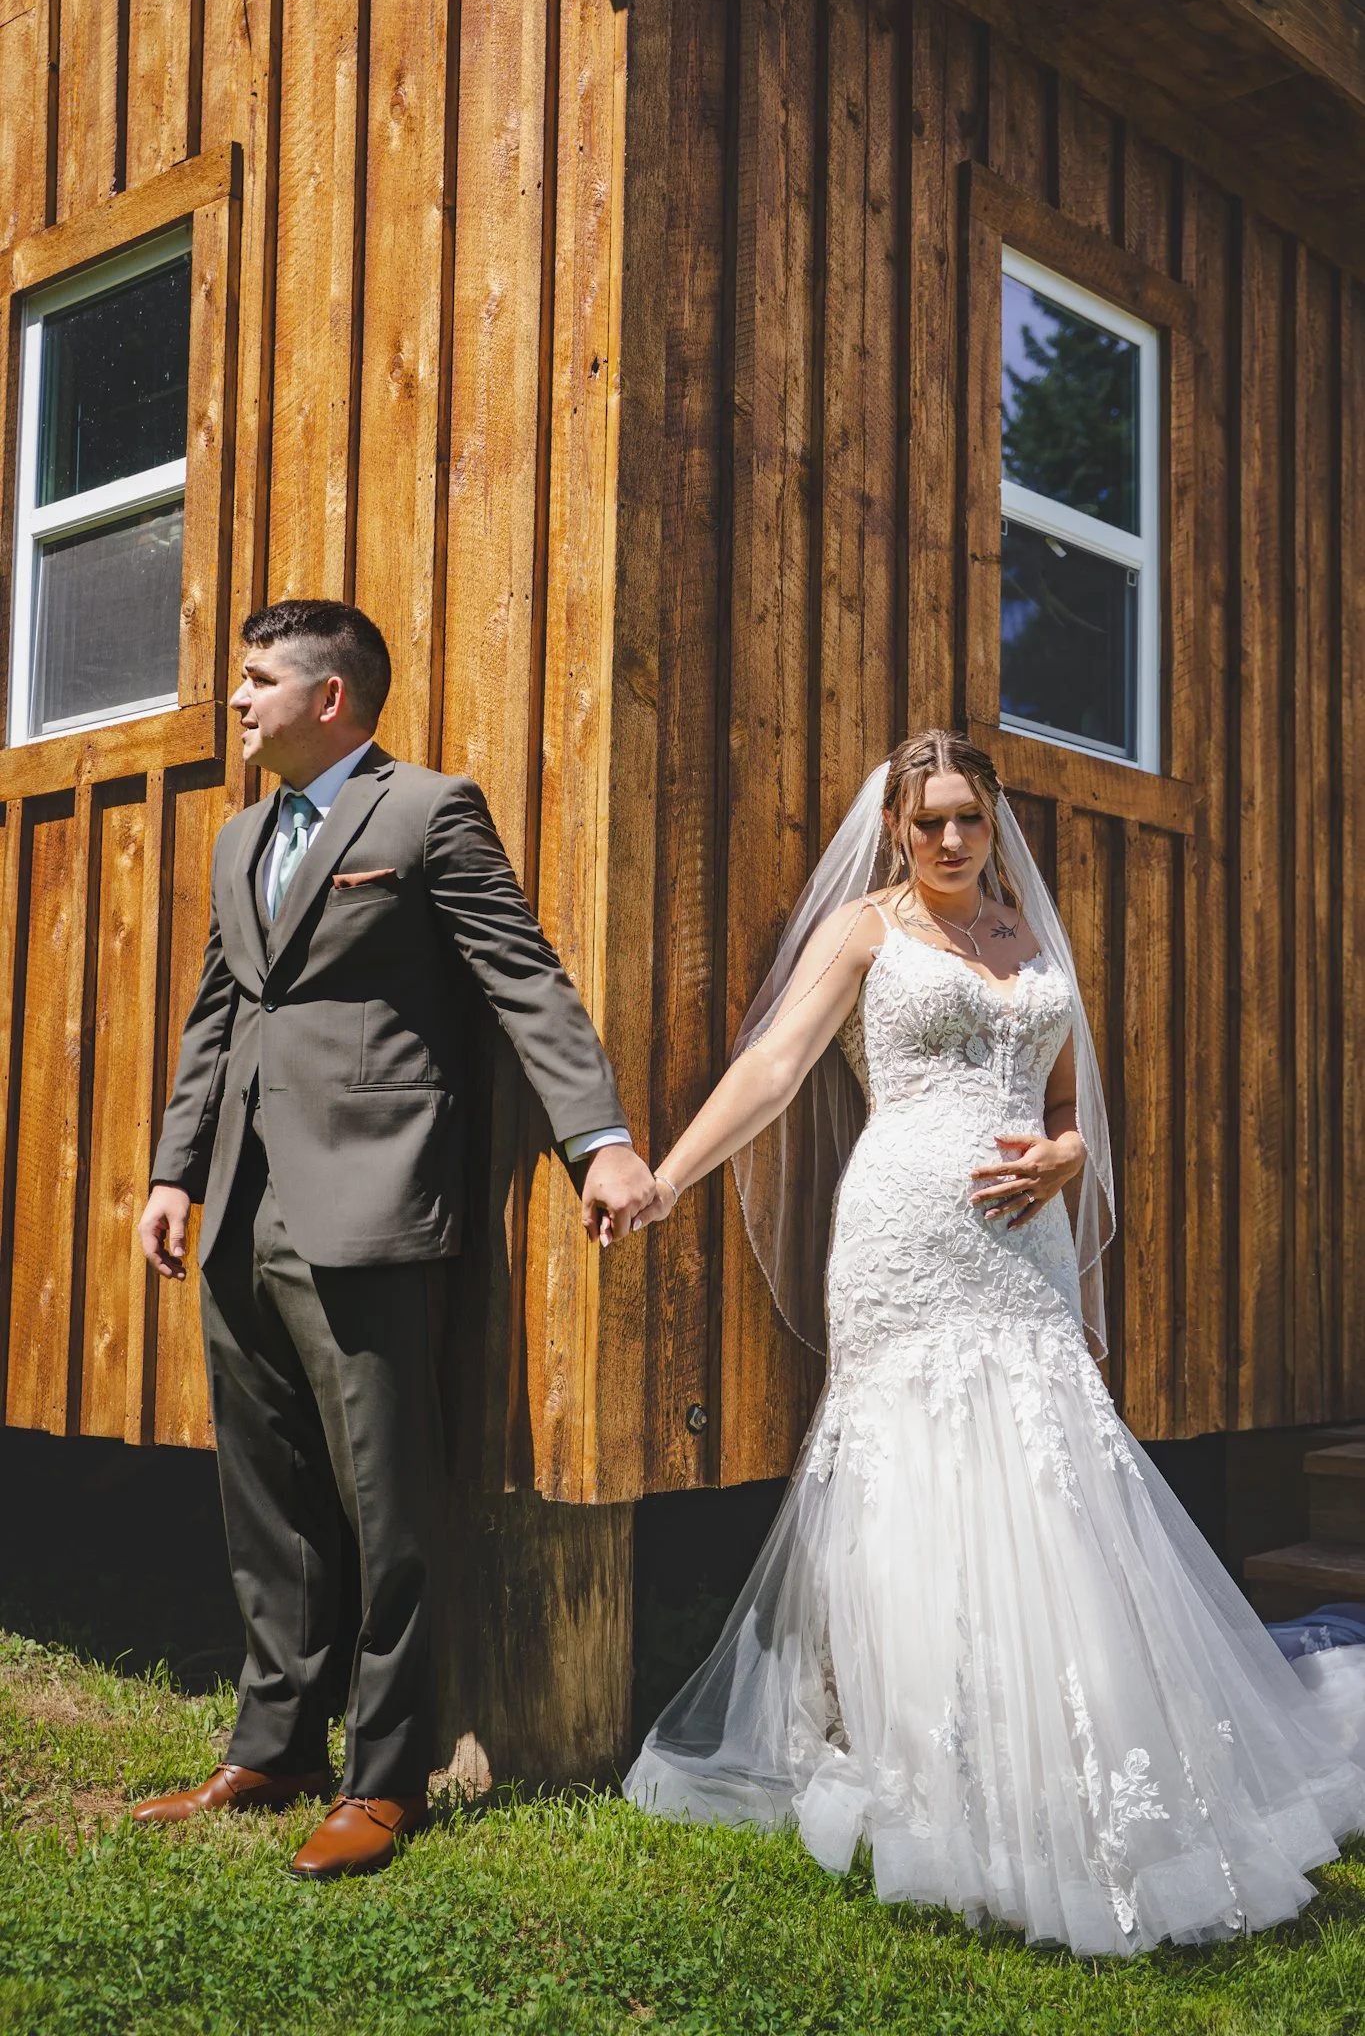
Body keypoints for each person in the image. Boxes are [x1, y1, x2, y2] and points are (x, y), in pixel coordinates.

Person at [625, 727, 1365, 1956]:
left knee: (1049, 1472)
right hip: (907, 1234)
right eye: (931, 824)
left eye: (971, 818)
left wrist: (1069, 1153)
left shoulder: (1029, 934)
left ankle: (1073, 1732)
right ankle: (929, 1755)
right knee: (914, 1473)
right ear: (897, 831)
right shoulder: (867, 930)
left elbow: (1068, 1105)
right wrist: (666, 1174)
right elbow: (773, 1067)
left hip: (1022, 1249)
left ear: (995, 820)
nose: (954, 841)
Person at [132, 599, 656, 1878]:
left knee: (386, 1500)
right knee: (267, 1492)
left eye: (259, 680)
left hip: (373, 1196)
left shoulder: (426, 810)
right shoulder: (236, 836)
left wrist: (600, 1137)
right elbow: (216, 1013)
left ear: (331, 697)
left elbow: (523, 976)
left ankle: (384, 1774)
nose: (236, 700)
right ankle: (275, 1743)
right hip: (243, 1209)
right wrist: (172, 1170)